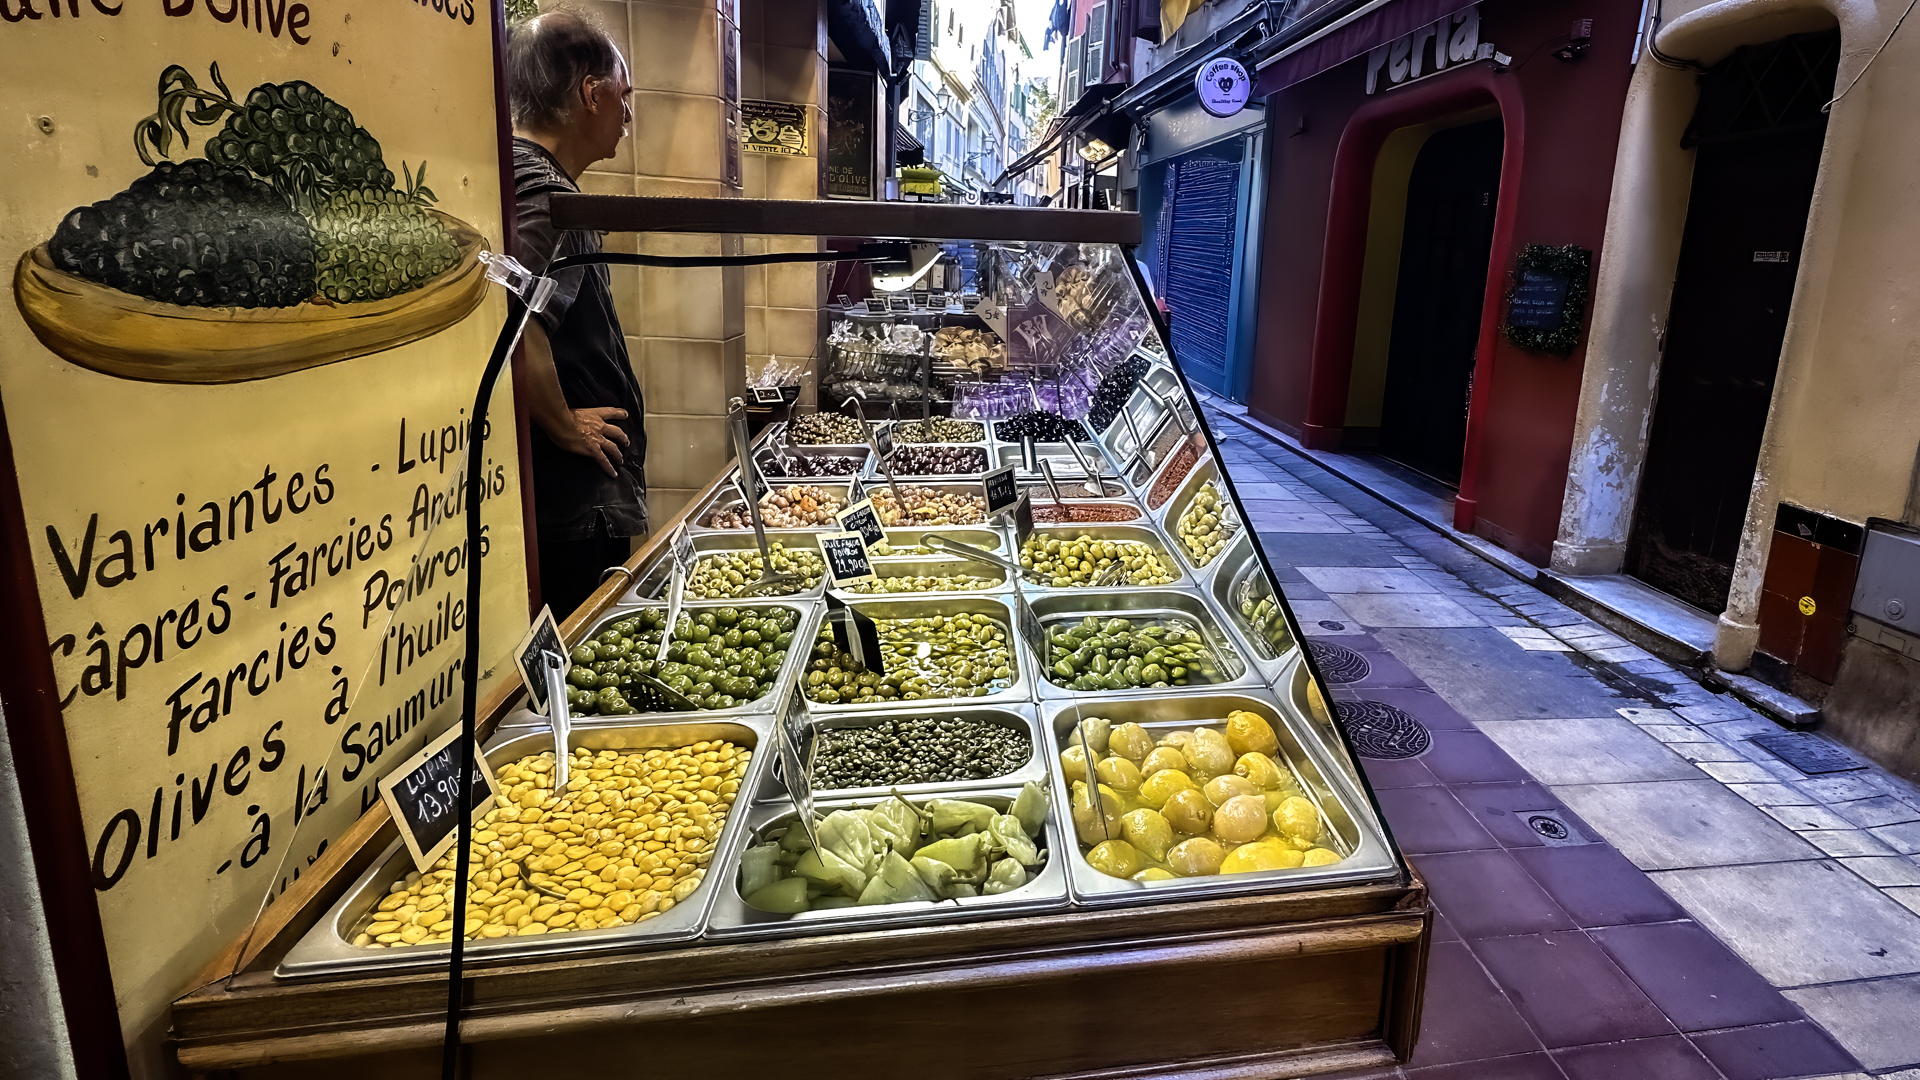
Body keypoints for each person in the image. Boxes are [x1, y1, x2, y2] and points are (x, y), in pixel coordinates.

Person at [507, 8, 646, 619]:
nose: (627, 113)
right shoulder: (549, 197)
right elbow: (512, 318)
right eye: (624, 94)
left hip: (561, 499)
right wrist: (564, 424)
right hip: (571, 504)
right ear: (592, 94)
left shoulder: (517, 179)